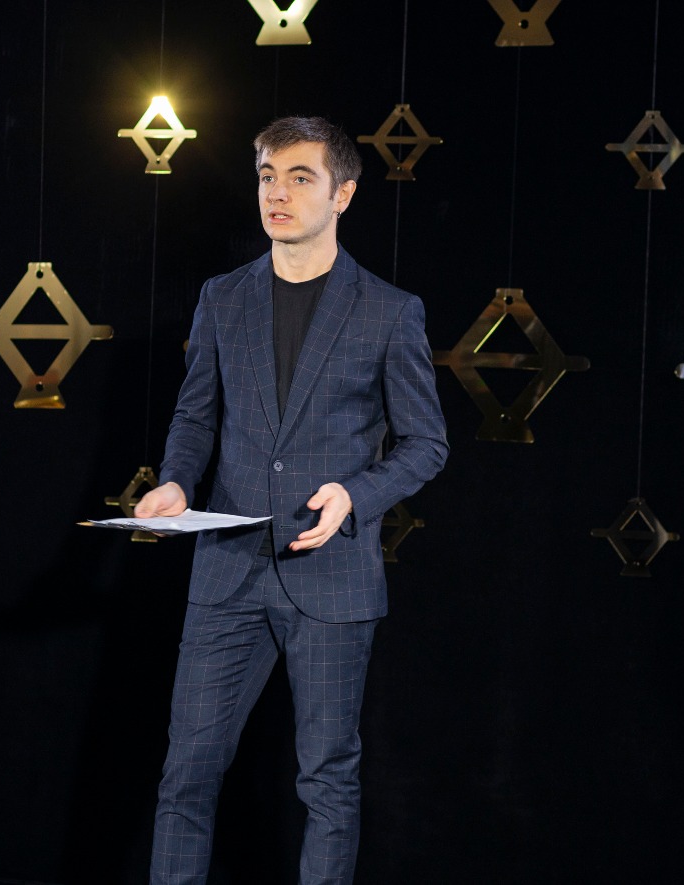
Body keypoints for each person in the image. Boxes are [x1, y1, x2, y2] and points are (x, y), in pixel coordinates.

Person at [135, 115, 448, 884]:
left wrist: (355, 493)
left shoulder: (389, 310)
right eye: (268, 176)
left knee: (327, 780)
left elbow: (427, 443)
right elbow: (196, 416)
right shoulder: (222, 297)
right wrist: (175, 480)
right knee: (186, 771)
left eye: (300, 177)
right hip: (227, 573)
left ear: (343, 193)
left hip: (331, 578)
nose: (277, 192)